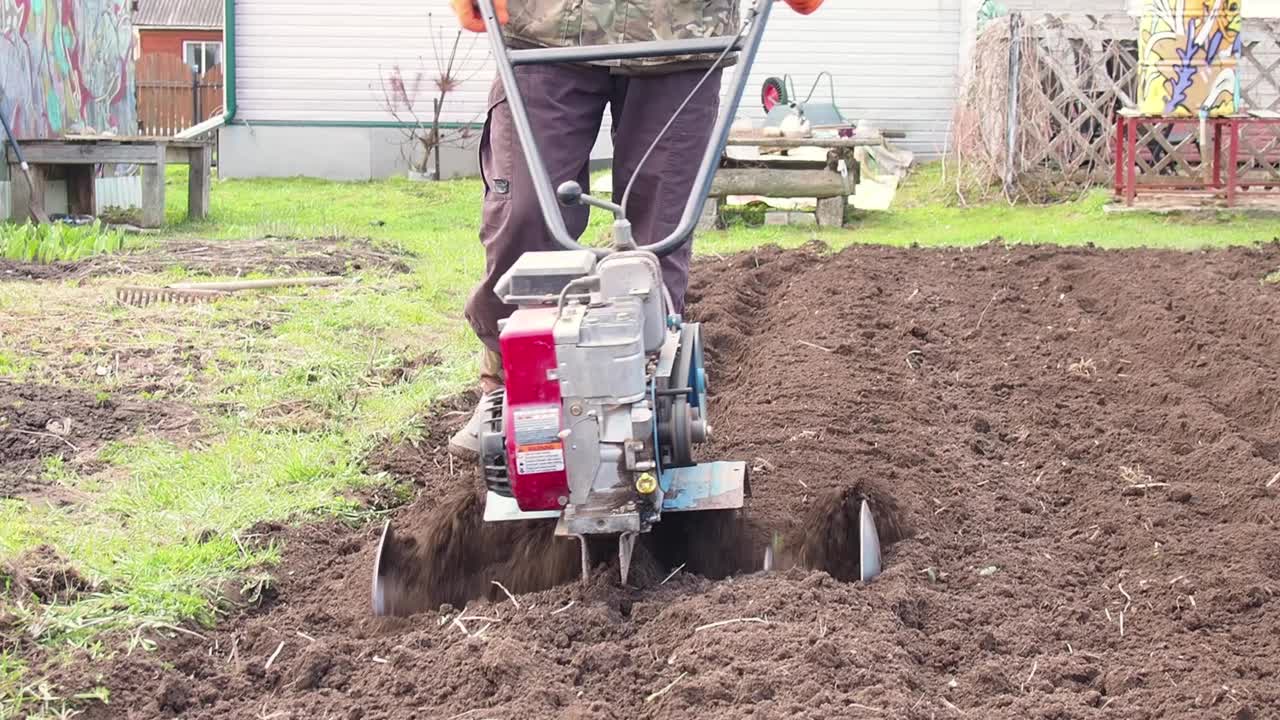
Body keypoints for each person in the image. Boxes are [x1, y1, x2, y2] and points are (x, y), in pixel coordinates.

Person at [449, 0, 823, 458]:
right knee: (524, 217)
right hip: (543, 27)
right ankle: (509, 380)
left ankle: (647, 395)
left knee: (658, 236)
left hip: (681, 32)